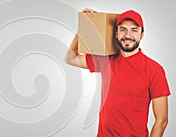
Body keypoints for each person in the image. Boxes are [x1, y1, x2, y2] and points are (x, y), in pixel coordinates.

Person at [64, 8, 170, 137]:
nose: (128, 35)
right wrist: (86, 27)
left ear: (142, 35)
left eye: (134, 30)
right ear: (116, 33)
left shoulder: (154, 70)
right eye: (123, 29)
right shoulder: (106, 60)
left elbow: (162, 121)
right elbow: (70, 58)